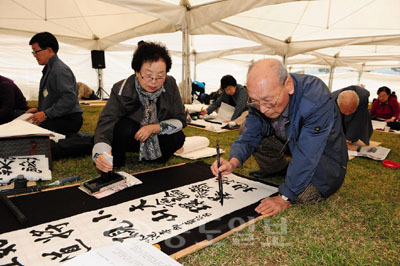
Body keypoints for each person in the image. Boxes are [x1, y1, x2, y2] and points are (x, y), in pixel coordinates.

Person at [211, 59, 348, 217]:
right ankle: (281, 169)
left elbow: (308, 152)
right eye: (255, 101)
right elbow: (250, 134)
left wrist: (285, 196)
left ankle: (295, 178)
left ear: (288, 85)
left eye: (268, 101)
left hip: (323, 156)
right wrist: (233, 161)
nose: (262, 109)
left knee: (303, 195)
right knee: (244, 127)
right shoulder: (261, 100)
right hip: (289, 141)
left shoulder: (315, 97)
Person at [93, 42, 186, 171]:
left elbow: (181, 119)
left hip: (156, 134)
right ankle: (117, 161)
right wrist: (100, 154)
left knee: (178, 137)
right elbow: (106, 124)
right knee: (122, 127)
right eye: (148, 75)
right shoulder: (121, 88)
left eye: (160, 76)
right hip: (131, 135)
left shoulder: (170, 84)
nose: (154, 81)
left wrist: (155, 128)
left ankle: (157, 157)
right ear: (137, 72)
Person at [26, 32, 83, 136]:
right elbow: (54, 96)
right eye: (33, 52)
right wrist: (39, 109)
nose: (35, 56)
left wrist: (45, 114)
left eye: (36, 52)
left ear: (49, 50)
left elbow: (69, 98)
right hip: (59, 116)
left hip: (69, 119)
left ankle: (77, 139)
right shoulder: (50, 68)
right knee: (28, 125)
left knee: (32, 132)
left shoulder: (59, 70)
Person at [332, 85, 373, 149]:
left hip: (358, 115)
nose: (348, 114)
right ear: (339, 104)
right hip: (338, 112)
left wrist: (348, 141)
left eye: (350, 110)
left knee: (357, 123)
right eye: (345, 111)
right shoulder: (331, 101)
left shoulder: (363, 97)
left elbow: (357, 121)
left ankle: (351, 138)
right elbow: (334, 121)